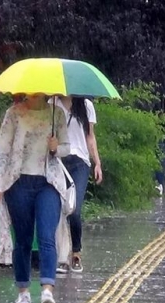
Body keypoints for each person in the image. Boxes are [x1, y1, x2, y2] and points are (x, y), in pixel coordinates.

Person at [0, 94, 70, 303]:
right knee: (23, 240)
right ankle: (23, 293)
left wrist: (55, 148)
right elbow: (2, 151)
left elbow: (66, 148)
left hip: (48, 183)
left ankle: (47, 290)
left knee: (46, 236)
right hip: (18, 183)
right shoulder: (13, 114)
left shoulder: (57, 114)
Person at [53, 96, 103, 274]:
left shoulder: (86, 105)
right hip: (58, 161)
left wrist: (97, 163)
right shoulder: (53, 103)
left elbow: (90, 137)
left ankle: (76, 252)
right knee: (58, 210)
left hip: (80, 163)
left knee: (74, 210)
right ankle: (61, 257)